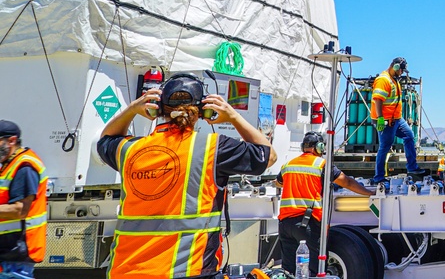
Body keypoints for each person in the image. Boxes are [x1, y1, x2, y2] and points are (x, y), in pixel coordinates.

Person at [98, 73, 277, 279]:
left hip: (125, 270)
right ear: (203, 111)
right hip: (187, 270)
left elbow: (106, 139)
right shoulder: (212, 147)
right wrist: (233, 116)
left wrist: (132, 109)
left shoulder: (129, 150)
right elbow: (268, 156)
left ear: (158, 109)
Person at [276, 131, 374, 277]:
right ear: (319, 147)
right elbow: (346, 181)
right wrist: (368, 192)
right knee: (313, 271)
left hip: (285, 224)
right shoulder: (321, 165)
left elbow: (278, 183)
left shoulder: (288, 164)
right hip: (306, 224)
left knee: (289, 271)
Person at [0, 121, 47, 278]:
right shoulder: (8, 165)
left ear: (11, 141)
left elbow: (20, 209)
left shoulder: (25, 166)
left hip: (17, 255)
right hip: (8, 254)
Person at [371, 57, 427, 183]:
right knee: (385, 146)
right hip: (385, 120)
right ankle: (378, 177)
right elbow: (378, 100)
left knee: (409, 136)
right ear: (395, 67)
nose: (401, 73)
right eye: (401, 70)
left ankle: (412, 167)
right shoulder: (383, 80)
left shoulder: (394, 80)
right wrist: (380, 118)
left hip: (396, 119)